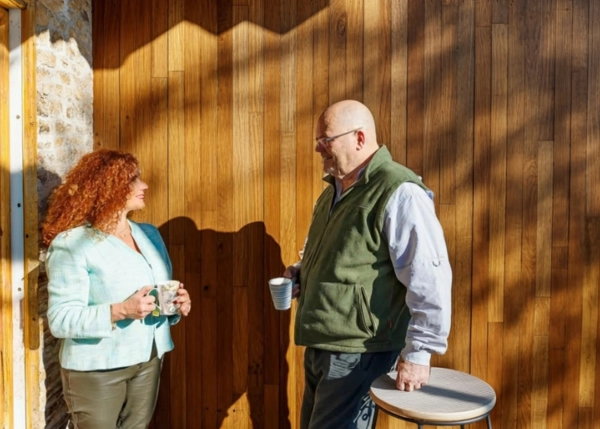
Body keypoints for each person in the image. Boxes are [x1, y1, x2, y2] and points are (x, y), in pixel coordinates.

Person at [283, 100, 452, 429]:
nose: (319, 149)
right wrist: (302, 273)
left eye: (326, 139)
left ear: (359, 137)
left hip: (358, 351)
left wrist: (419, 353)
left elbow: (428, 275)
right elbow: (346, 258)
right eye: (319, 140)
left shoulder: (399, 191)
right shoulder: (333, 189)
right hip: (323, 344)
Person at [41, 149, 192, 429]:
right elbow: (61, 320)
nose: (144, 185)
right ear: (107, 187)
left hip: (149, 359)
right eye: (132, 180)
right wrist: (122, 310)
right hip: (98, 370)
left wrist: (176, 306)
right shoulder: (72, 244)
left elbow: (155, 296)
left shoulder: (149, 235)